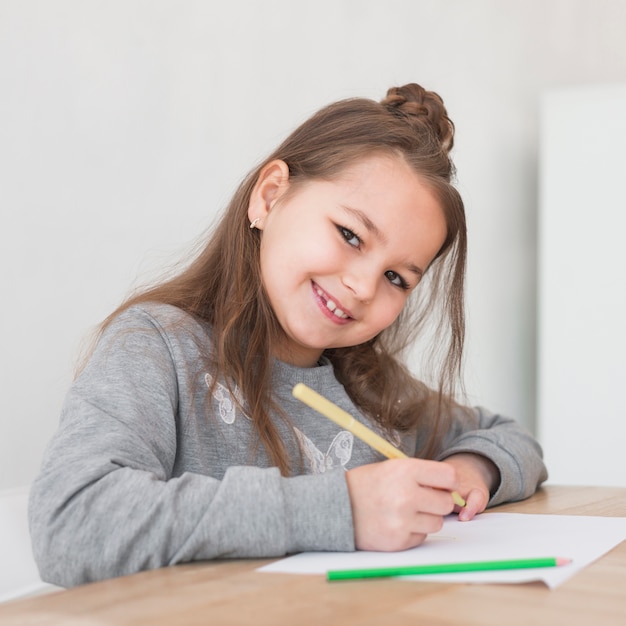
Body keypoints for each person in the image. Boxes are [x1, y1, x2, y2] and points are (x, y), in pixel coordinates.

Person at [29, 83, 547, 588]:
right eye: (350, 235)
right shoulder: (159, 348)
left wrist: (470, 470)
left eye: (397, 278)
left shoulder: (373, 387)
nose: (362, 286)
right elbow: (71, 521)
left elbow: (513, 438)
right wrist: (341, 509)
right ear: (270, 195)